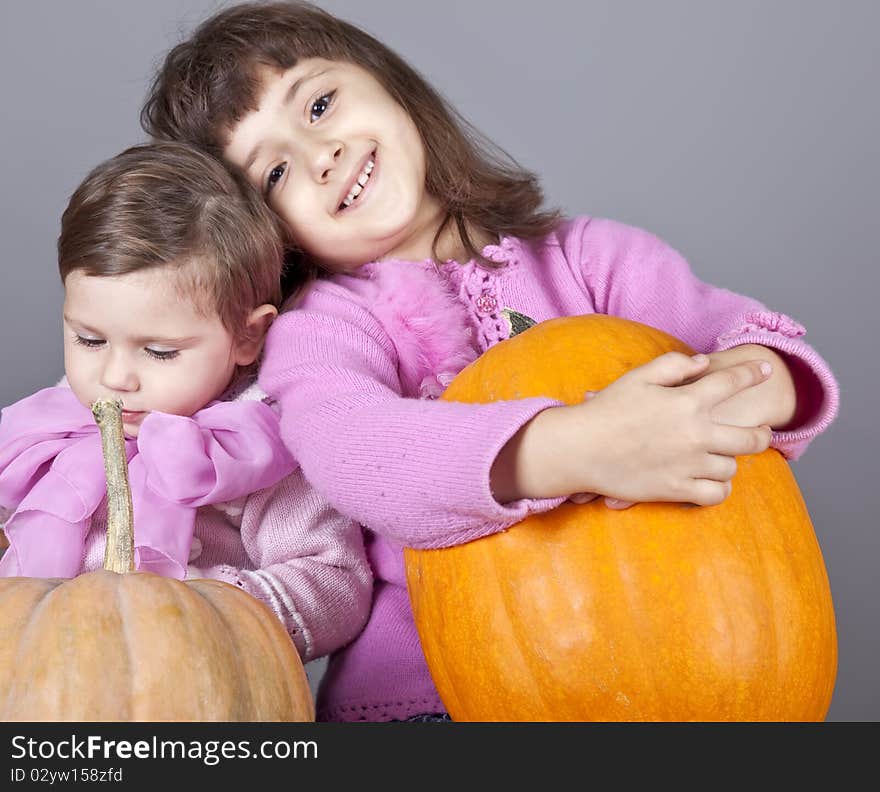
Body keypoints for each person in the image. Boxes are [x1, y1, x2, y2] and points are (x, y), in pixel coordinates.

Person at [141, 2, 840, 721]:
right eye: (276, 173)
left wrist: (725, 400)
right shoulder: (324, 331)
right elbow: (355, 452)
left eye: (320, 104)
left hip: (684, 657)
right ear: (269, 233)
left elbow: (759, 350)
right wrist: (577, 448)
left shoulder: (591, 260)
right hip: (430, 702)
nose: (321, 156)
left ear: (391, 85)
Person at [0, 141, 371, 665]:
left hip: (186, 689)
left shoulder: (254, 448)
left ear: (248, 336)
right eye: (88, 340)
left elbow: (335, 583)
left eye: (158, 351)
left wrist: (210, 608)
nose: (114, 377)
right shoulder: (46, 426)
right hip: (42, 681)